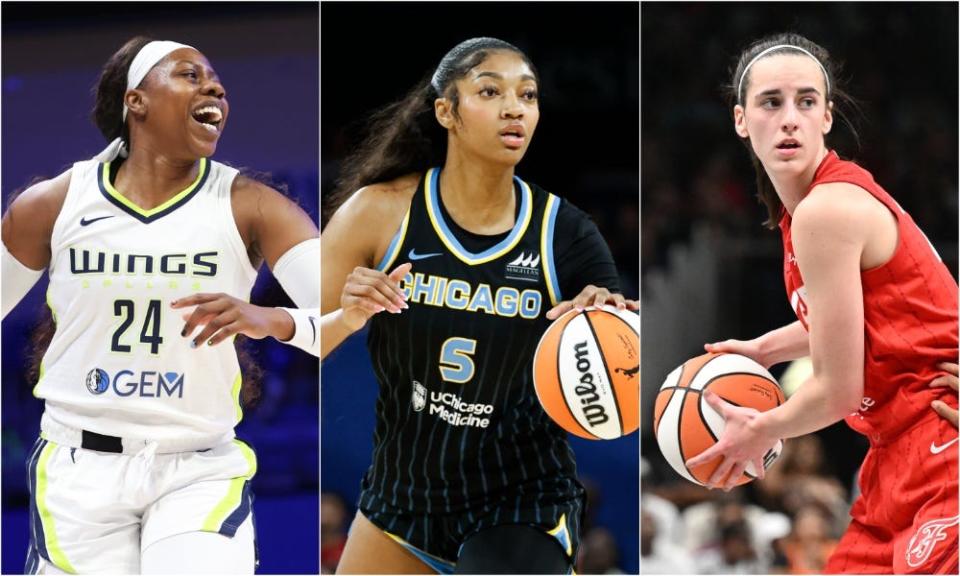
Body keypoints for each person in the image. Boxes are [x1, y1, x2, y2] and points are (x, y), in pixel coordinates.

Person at [1, 37, 319, 573]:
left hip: (198, 464)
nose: (213, 85)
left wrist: (276, 319)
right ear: (136, 101)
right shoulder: (54, 204)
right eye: (189, 75)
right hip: (78, 469)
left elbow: (342, 313)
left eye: (214, 78)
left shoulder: (252, 205)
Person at [321, 37, 637, 574]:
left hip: (520, 503)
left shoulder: (566, 234)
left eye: (528, 95)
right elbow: (306, 344)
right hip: (403, 499)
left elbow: (626, 367)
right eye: (490, 92)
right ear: (446, 110)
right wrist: (346, 317)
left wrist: (615, 321)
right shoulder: (378, 213)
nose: (515, 107)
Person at [685, 33, 958, 574]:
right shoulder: (811, 210)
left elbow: (838, 390)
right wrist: (767, 348)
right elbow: (865, 316)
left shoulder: (826, 212)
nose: (790, 118)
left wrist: (761, 430)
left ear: (827, 116)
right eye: (771, 102)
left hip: (940, 447)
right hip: (893, 459)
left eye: (806, 102)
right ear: (742, 120)